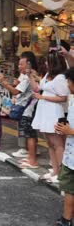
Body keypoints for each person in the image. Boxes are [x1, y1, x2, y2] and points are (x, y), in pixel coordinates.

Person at [31, 51, 69, 182]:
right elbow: (37, 88)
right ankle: (55, 170)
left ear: (54, 63)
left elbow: (63, 98)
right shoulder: (48, 75)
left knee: (57, 143)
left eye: (48, 61)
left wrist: (43, 97)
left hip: (54, 111)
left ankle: (61, 173)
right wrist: (31, 77)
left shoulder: (60, 78)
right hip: (44, 110)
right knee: (49, 142)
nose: (46, 63)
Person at [0, 51, 39, 166]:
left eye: (21, 64)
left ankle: (32, 158)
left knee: (29, 134)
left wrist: (4, 83)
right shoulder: (30, 75)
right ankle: (31, 156)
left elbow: (16, 91)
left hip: (27, 108)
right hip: (28, 106)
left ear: (29, 64)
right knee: (29, 133)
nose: (19, 66)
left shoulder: (29, 76)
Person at [54, 67, 74, 226]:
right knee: (68, 189)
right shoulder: (72, 99)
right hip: (70, 155)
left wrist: (70, 131)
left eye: (68, 81)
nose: (67, 84)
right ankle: (66, 220)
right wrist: (64, 128)